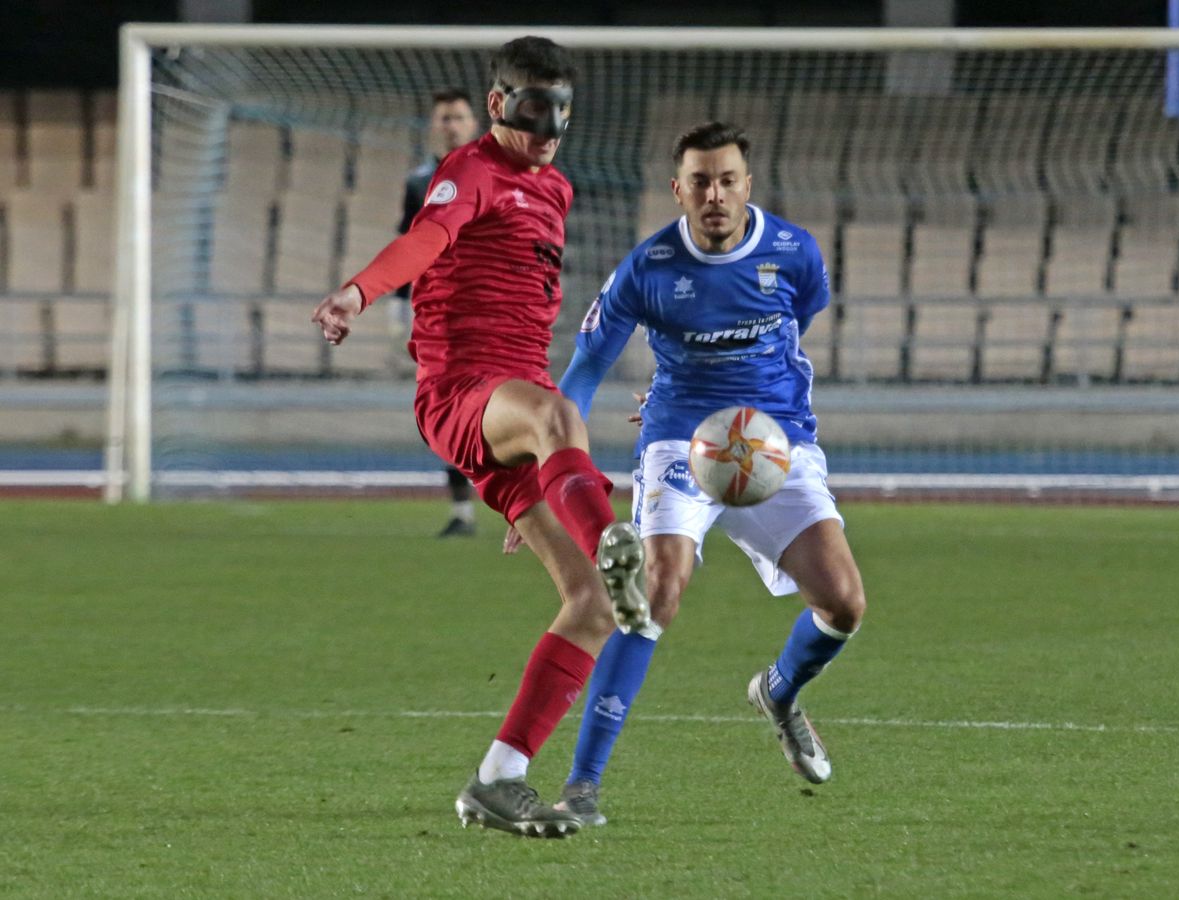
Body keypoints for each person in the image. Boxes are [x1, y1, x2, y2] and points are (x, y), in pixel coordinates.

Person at [311, 36, 649, 838]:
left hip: (514, 411)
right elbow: (426, 242)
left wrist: (540, 473)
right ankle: (617, 542)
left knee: (593, 607)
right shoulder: (466, 172)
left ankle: (499, 778)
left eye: (561, 115)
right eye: (533, 110)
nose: (548, 129)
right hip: (461, 391)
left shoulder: (557, 189)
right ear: (499, 105)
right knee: (559, 419)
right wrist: (360, 292)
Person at [547, 121, 868, 826]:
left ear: (748, 186)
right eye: (700, 181)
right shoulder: (647, 267)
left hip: (771, 447)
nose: (715, 194)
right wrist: (553, 469)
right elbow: (583, 372)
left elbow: (795, 330)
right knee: (656, 590)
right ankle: (582, 784)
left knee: (844, 604)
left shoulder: (793, 253)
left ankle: (779, 693)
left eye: (727, 179)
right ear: (678, 190)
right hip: (677, 443)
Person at [398, 88, 484, 539]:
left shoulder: (497, 176)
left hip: (497, 315)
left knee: (507, 412)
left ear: (475, 124)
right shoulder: (418, 184)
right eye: (444, 118)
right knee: (449, 416)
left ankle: (526, 506)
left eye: (458, 117)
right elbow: (407, 245)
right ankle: (462, 512)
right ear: (435, 126)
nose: (451, 125)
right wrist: (399, 306)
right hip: (443, 320)